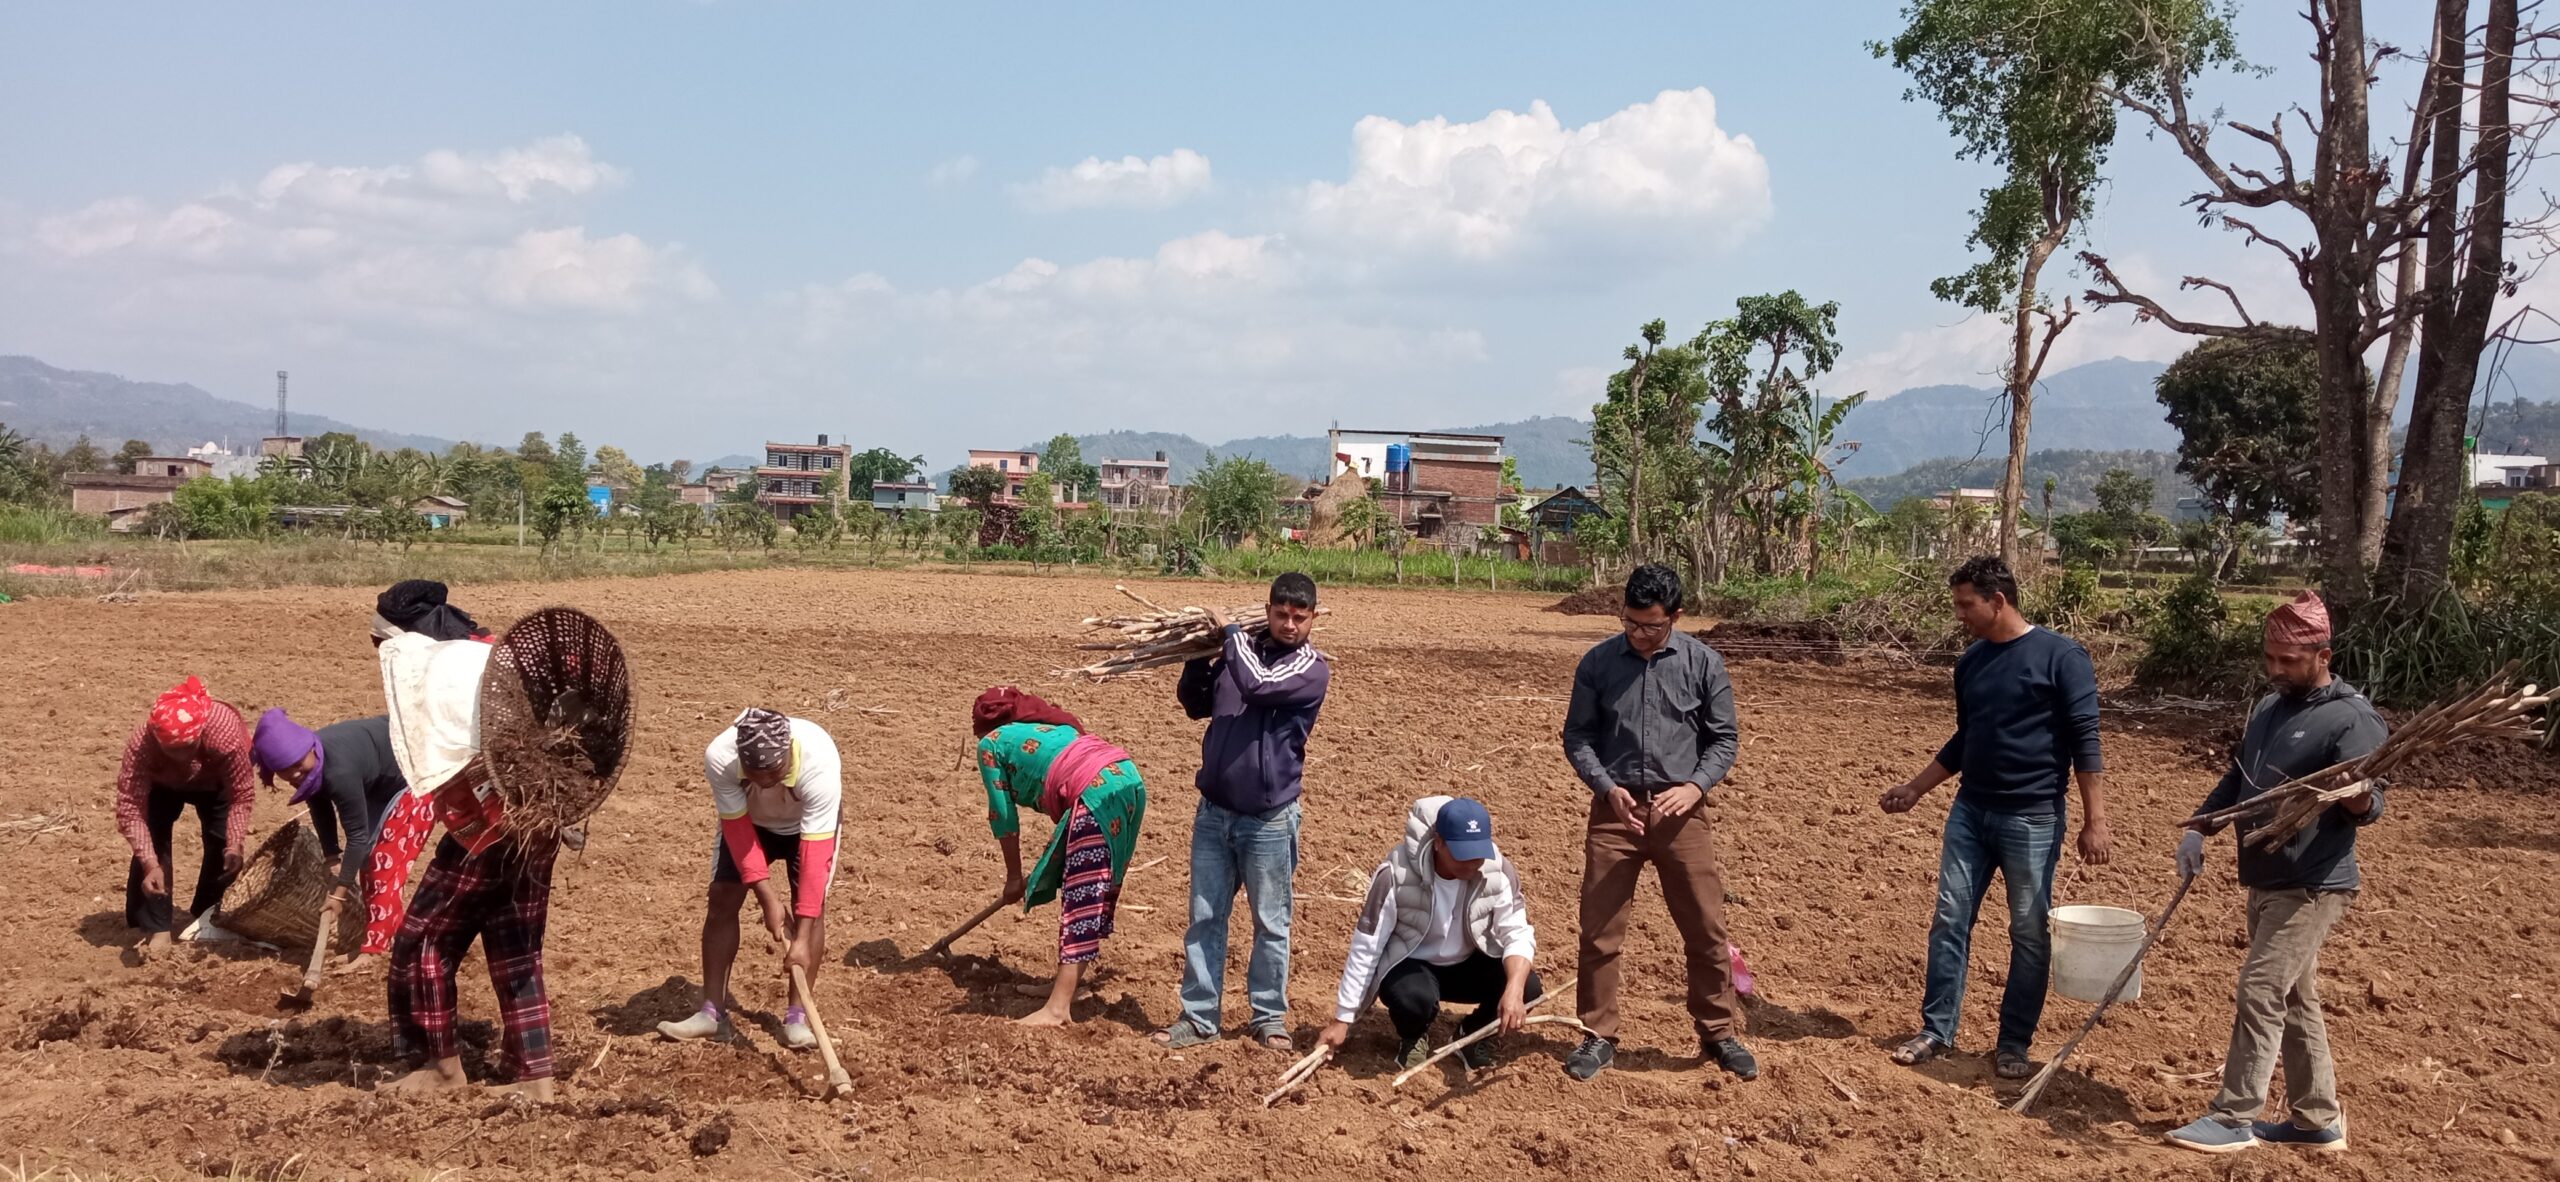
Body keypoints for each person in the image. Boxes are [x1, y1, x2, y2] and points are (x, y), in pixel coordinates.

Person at [2164, 592, 2384, 1155]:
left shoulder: (2352, 718)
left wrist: (2355, 796)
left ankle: (2235, 1115)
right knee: (2293, 998)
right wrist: (2200, 828)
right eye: (2271, 658)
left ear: (2323, 654)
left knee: (2261, 988)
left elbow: (2371, 807)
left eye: (2289, 661)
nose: (2277, 669)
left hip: (2311, 882)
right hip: (2263, 875)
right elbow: (2239, 781)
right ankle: (2317, 1120)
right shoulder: (2268, 708)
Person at [1880, 555, 2113, 1079]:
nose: (1960, 614)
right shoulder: (1971, 663)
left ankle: (2013, 1043)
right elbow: (1969, 737)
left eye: (1967, 605)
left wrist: (2095, 820)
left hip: (2032, 819)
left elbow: (2086, 743)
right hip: (1971, 812)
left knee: (2029, 932)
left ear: (1998, 600)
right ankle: (1937, 1030)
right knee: (1949, 920)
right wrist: (1916, 788)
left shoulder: (2062, 657)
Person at [1560, 563, 1756, 1081]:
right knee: (1599, 931)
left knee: (1705, 927)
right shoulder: (1598, 664)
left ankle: (1718, 1032)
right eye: (1630, 623)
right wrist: (1608, 788)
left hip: (1683, 817)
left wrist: (1693, 788)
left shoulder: (1704, 664)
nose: (1639, 635)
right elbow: (1577, 737)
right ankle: (1598, 1033)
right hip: (1615, 815)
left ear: (1676, 616)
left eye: (1651, 626)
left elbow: (1724, 740)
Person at [1154, 572, 1330, 1052]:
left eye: (1299, 617)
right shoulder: (1240, 654)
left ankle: (1269, 1019)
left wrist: (1230, 635)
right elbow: (1197, 705)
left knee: (1271, 922)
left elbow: (1258, 685)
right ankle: (1198, 1018)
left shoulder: (1310, 668)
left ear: (1313, 619)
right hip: (1214, 812)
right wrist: (1196, 655)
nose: (1289, 625)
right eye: (1281, 614)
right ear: (1268, 610)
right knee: (1205, 918)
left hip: (1268, 820)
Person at [656, 708, 841, 1048]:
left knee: (810, 915)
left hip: (806, 828)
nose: (766, 783)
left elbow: (815, 859)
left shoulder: (820, 763)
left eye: (774, 774)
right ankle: (712, 1014)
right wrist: (767, 899)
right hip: (750, 823)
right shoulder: (720, 757)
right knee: (723, 896)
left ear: (788, 754)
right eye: (756, 777)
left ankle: (797, 1019)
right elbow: (739, 834)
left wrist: (799, 941)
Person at [967, 688, 1148, 1026]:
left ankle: (1057, 1008)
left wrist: (1012, 877)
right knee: (1088, 888)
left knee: (1082, 894)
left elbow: (1002, 816)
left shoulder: (990, 744)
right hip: (1128, 781)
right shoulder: (1051, 725)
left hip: (1094, 792)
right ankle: (1064, 986)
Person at [1316, 797, 1539, 1071]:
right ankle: (1413, 1037)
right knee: (1415, 999)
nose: (1472, 864)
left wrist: (1514, 990)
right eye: (1462, 854)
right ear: (1439, 843)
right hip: (1412, 964)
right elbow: (1367, 944)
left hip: (1467, 963)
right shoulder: (1395, 875)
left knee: (1528, 986)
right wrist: (1343, 1019)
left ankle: (1472, 1034)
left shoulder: (1498, 871)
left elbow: (1517, 932)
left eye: (1478, 854)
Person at [355, 581, 496, 968]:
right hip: (485, 788)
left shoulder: (446, 663)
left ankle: (378, 947)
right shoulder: (480, 644)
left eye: (380, 643)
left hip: (448, 774)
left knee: (386, 857)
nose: (379, 653)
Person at [250, 709, 407, 972]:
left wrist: (339, 894)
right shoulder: (316, 766)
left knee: (382, 859)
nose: (296, 775)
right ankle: (375, 940)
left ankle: (377, 949)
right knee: (368, 859)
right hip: (376, 780)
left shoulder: (339, 772)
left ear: (312, 747)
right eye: (286, 772)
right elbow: (320, 809)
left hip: (407, 774)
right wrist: (331, 857)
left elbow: (356, 837)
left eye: (299, 765)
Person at [115, 676, 255, 959]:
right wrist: (150, 863)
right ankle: (156, 927)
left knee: (221, 844)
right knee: (154, 843)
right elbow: (130, 806)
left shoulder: (226, 734)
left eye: (185, 748)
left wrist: (235, 842)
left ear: (201, 733)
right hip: (162, 783)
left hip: (214, 782)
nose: (180, 757)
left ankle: (206, 916)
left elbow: (241, 795)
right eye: (171, 750)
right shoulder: (142, 743)